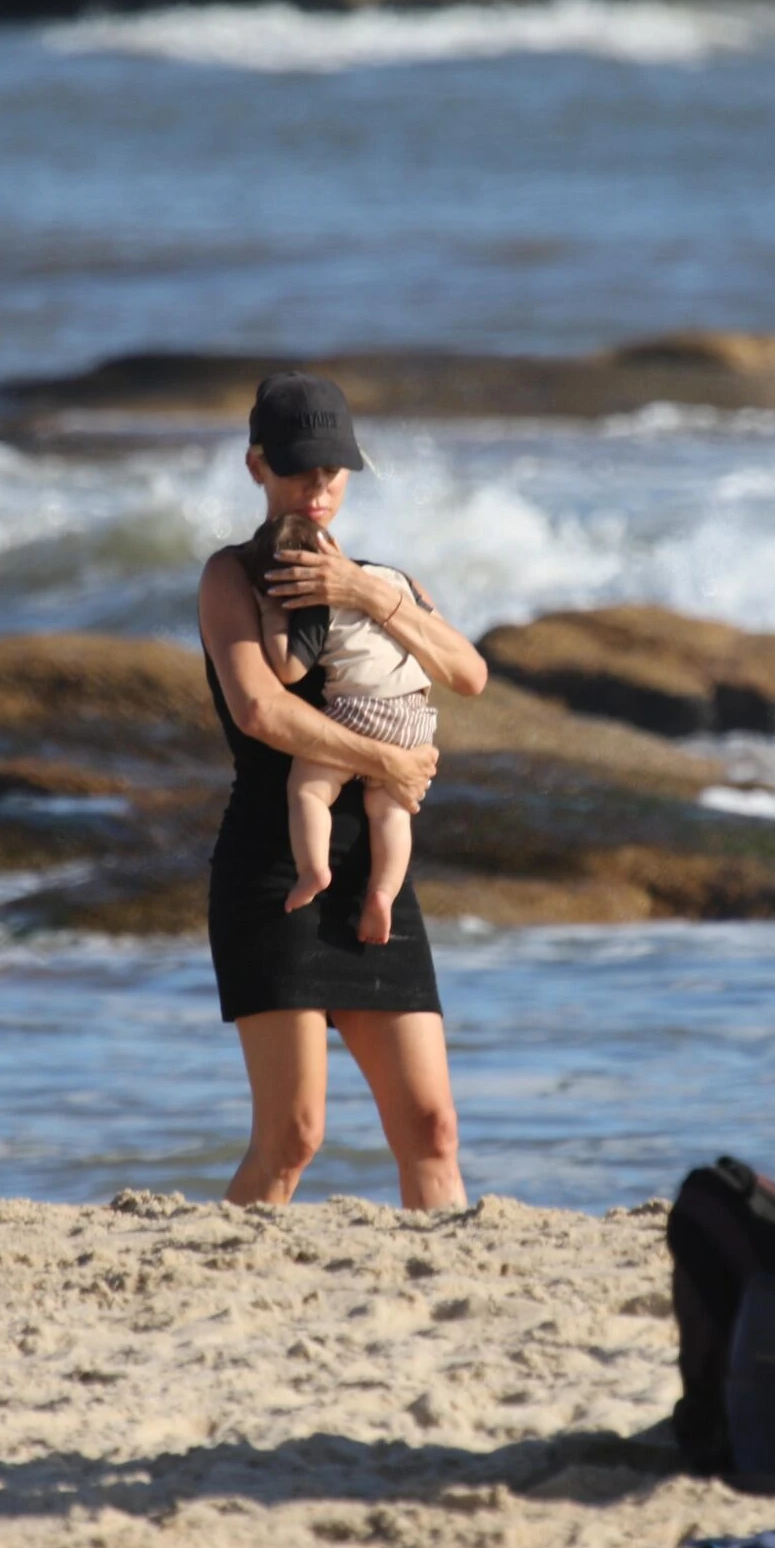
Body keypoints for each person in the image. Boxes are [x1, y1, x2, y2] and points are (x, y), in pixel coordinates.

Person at [196, 372, 489, 1210]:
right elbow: (260, 708)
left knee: (431, 1127)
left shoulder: (386, 581)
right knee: (293, 1135)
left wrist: (368, 593)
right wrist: (384, 761)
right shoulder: (233, 577)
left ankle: (449, 1303)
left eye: (332, 470)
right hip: (272, 870)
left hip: (377, 880)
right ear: (257, 466)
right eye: (297, 471)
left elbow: (466, 673)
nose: (318, 488)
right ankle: (228, 1283)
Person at [237, 511, 438, 945]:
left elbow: (290, 670)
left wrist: (273, 616)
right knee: (391, 810)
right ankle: (382, 894)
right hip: (416, 717)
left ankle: (312, 870)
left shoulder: (315, 598)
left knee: (308, 787)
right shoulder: (388, 580)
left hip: (362, 712)